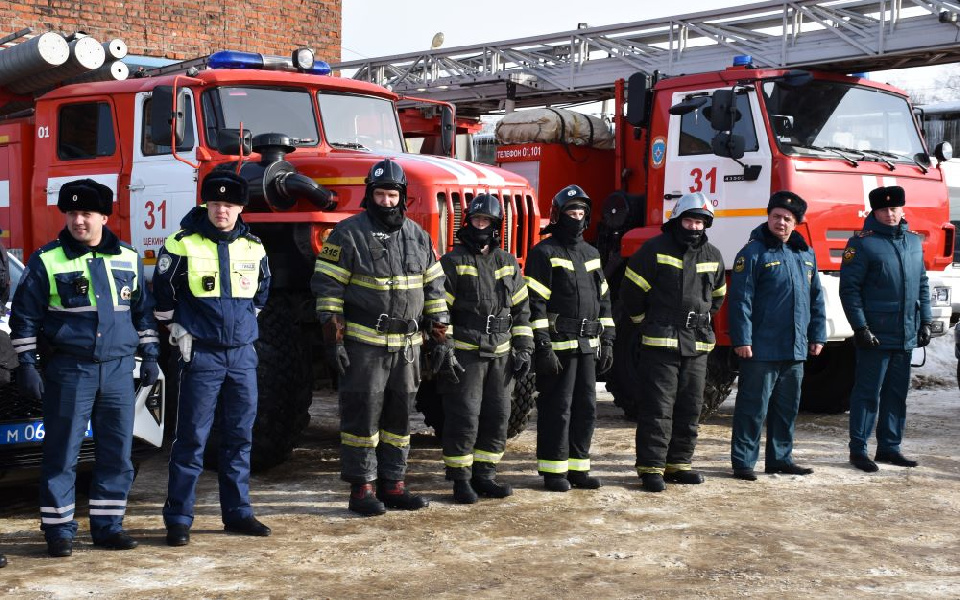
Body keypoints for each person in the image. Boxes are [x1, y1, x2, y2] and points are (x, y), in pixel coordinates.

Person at [9, 179, 160, 557]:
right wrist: (27, 363)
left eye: (87, 214)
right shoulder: (47, 259)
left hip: (118, 369)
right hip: (70, 370)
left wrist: (152, 354)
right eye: (72, 213)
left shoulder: (127, 257)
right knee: (62, 453)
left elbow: (143, 312)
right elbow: (24, 318)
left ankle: (108, 527)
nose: (79, 220)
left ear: (104, 217)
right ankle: (59, 531)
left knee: (116, 453)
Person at [312, 159, 448, 516]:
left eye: (392, 194)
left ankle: (394, 485)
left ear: (402, 198)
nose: (386, 201)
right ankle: (362, 490)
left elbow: (435, 290)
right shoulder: (346, 234)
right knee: (362, 420)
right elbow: (328, 291)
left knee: (400, 420)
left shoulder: (419, 237)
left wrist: (441, 337)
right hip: (364, 346)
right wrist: (334, 340)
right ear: (368, 196)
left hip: (407, 349)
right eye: (380, 194)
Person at [154, 171, 272, 546]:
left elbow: (262, 292)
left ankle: (238, 513)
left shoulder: (254, 246)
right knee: (191, 439)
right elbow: (162, 295)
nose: (222, 210)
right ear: (206, 204)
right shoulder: (180, 243)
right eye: (216, 203)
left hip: (241, 357)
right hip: (200, 354)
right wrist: (179, 328)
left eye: (230, 204)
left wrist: (241, 329)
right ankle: (178, 519)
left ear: (240, 207)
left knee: (239, 438)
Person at [621, 192, 725, 492]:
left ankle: (679, 464)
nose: (694, 227)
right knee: (658, 407)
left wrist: (699, 322)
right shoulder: (653, 249)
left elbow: (717, 297)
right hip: (661, 342)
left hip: (697, 345)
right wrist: (645, 323)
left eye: (701, 222)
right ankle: (651, 467)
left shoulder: (713, 255)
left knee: (691, 406)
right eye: (690, 220)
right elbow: (631, 293)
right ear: (678, 220)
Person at [438, 194, 533, 504]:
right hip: (467, 353)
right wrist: (446, 347)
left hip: (502, 354)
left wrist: (523, 348)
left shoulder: (507, 262)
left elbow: (521, 310)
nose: (481, 226)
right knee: (465, 415)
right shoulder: (452, 262)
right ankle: (461, 480)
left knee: (498, 415)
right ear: (468, 222)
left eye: (487, 222)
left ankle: (486, 475)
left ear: (496, 227)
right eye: (477, 220)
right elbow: (440, 310)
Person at [728, 191, 826, 481]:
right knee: (753, 408)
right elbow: (741, 300)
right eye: (776, 217)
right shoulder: (753, 252)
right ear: (768, 217)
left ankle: (781, 459)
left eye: (787, 218)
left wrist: (817, 334)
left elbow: (816, 299)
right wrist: (742, 339)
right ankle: (743, 462)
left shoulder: (805, 254)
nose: (780, 223)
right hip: (761, 348)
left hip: (794, 348)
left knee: (786, 408)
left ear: (796, 223)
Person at [524, 184, 615, 492]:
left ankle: (578, 468)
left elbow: (604, 300)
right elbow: (534, 303)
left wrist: (609, 341)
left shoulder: (591, 253)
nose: (576, 218)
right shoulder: (543, 253)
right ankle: (553, 471)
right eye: (570, 212)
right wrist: (543, 346)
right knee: (557, 408)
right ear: (557, 216)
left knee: (586, 408)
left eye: (581, 213)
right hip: (558, 347)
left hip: (588, 345)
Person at [840, 185, 931, 472]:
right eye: (883, 210)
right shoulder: (862, 244)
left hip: (905, 333)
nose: (890, 214)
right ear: (874, 212)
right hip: (875, 335)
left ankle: (890, 447)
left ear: (903, 210)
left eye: (894, 209)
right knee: (867, 394)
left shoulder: (914, 242)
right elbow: (850, 290)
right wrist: (861, 327)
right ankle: (859, 450)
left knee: (896, 394)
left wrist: (925, 320)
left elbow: (923, 285)